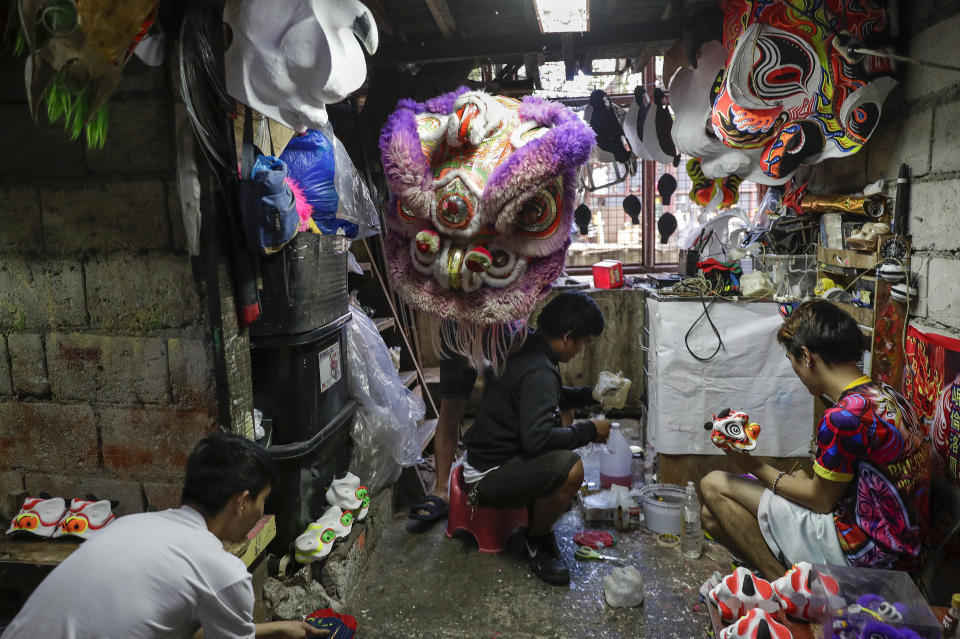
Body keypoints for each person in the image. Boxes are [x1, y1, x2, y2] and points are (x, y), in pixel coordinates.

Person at [1, 433, 327, 639]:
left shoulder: (131, 526)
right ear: (241, 502)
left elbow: (168, 627)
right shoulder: (223, 573)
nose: (262, 510)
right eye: (261, 499)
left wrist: (279, 629)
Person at [700, 300, 930, 580]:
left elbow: (820, 501)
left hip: (863, 557)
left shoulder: (843, 417)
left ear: (807, 356)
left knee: (713, 484)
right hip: (902, 551)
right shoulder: (888, 396)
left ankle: (787, 589)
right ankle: (785, 576)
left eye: (792, 361)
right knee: (712, 517)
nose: (795, 371)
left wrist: (749, 463)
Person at [461, 291, 611, 585]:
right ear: (568, 337)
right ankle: (536, 540)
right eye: (583, 342)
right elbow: (537, 440)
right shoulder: (540, 370)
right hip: (484, 482)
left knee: (560, 426)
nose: (581, 350)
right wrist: (591, 431)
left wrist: (589, 395)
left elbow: (544, 399)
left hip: (487, 460)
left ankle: (540, 506)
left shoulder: (527, 344)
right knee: (572, 469)